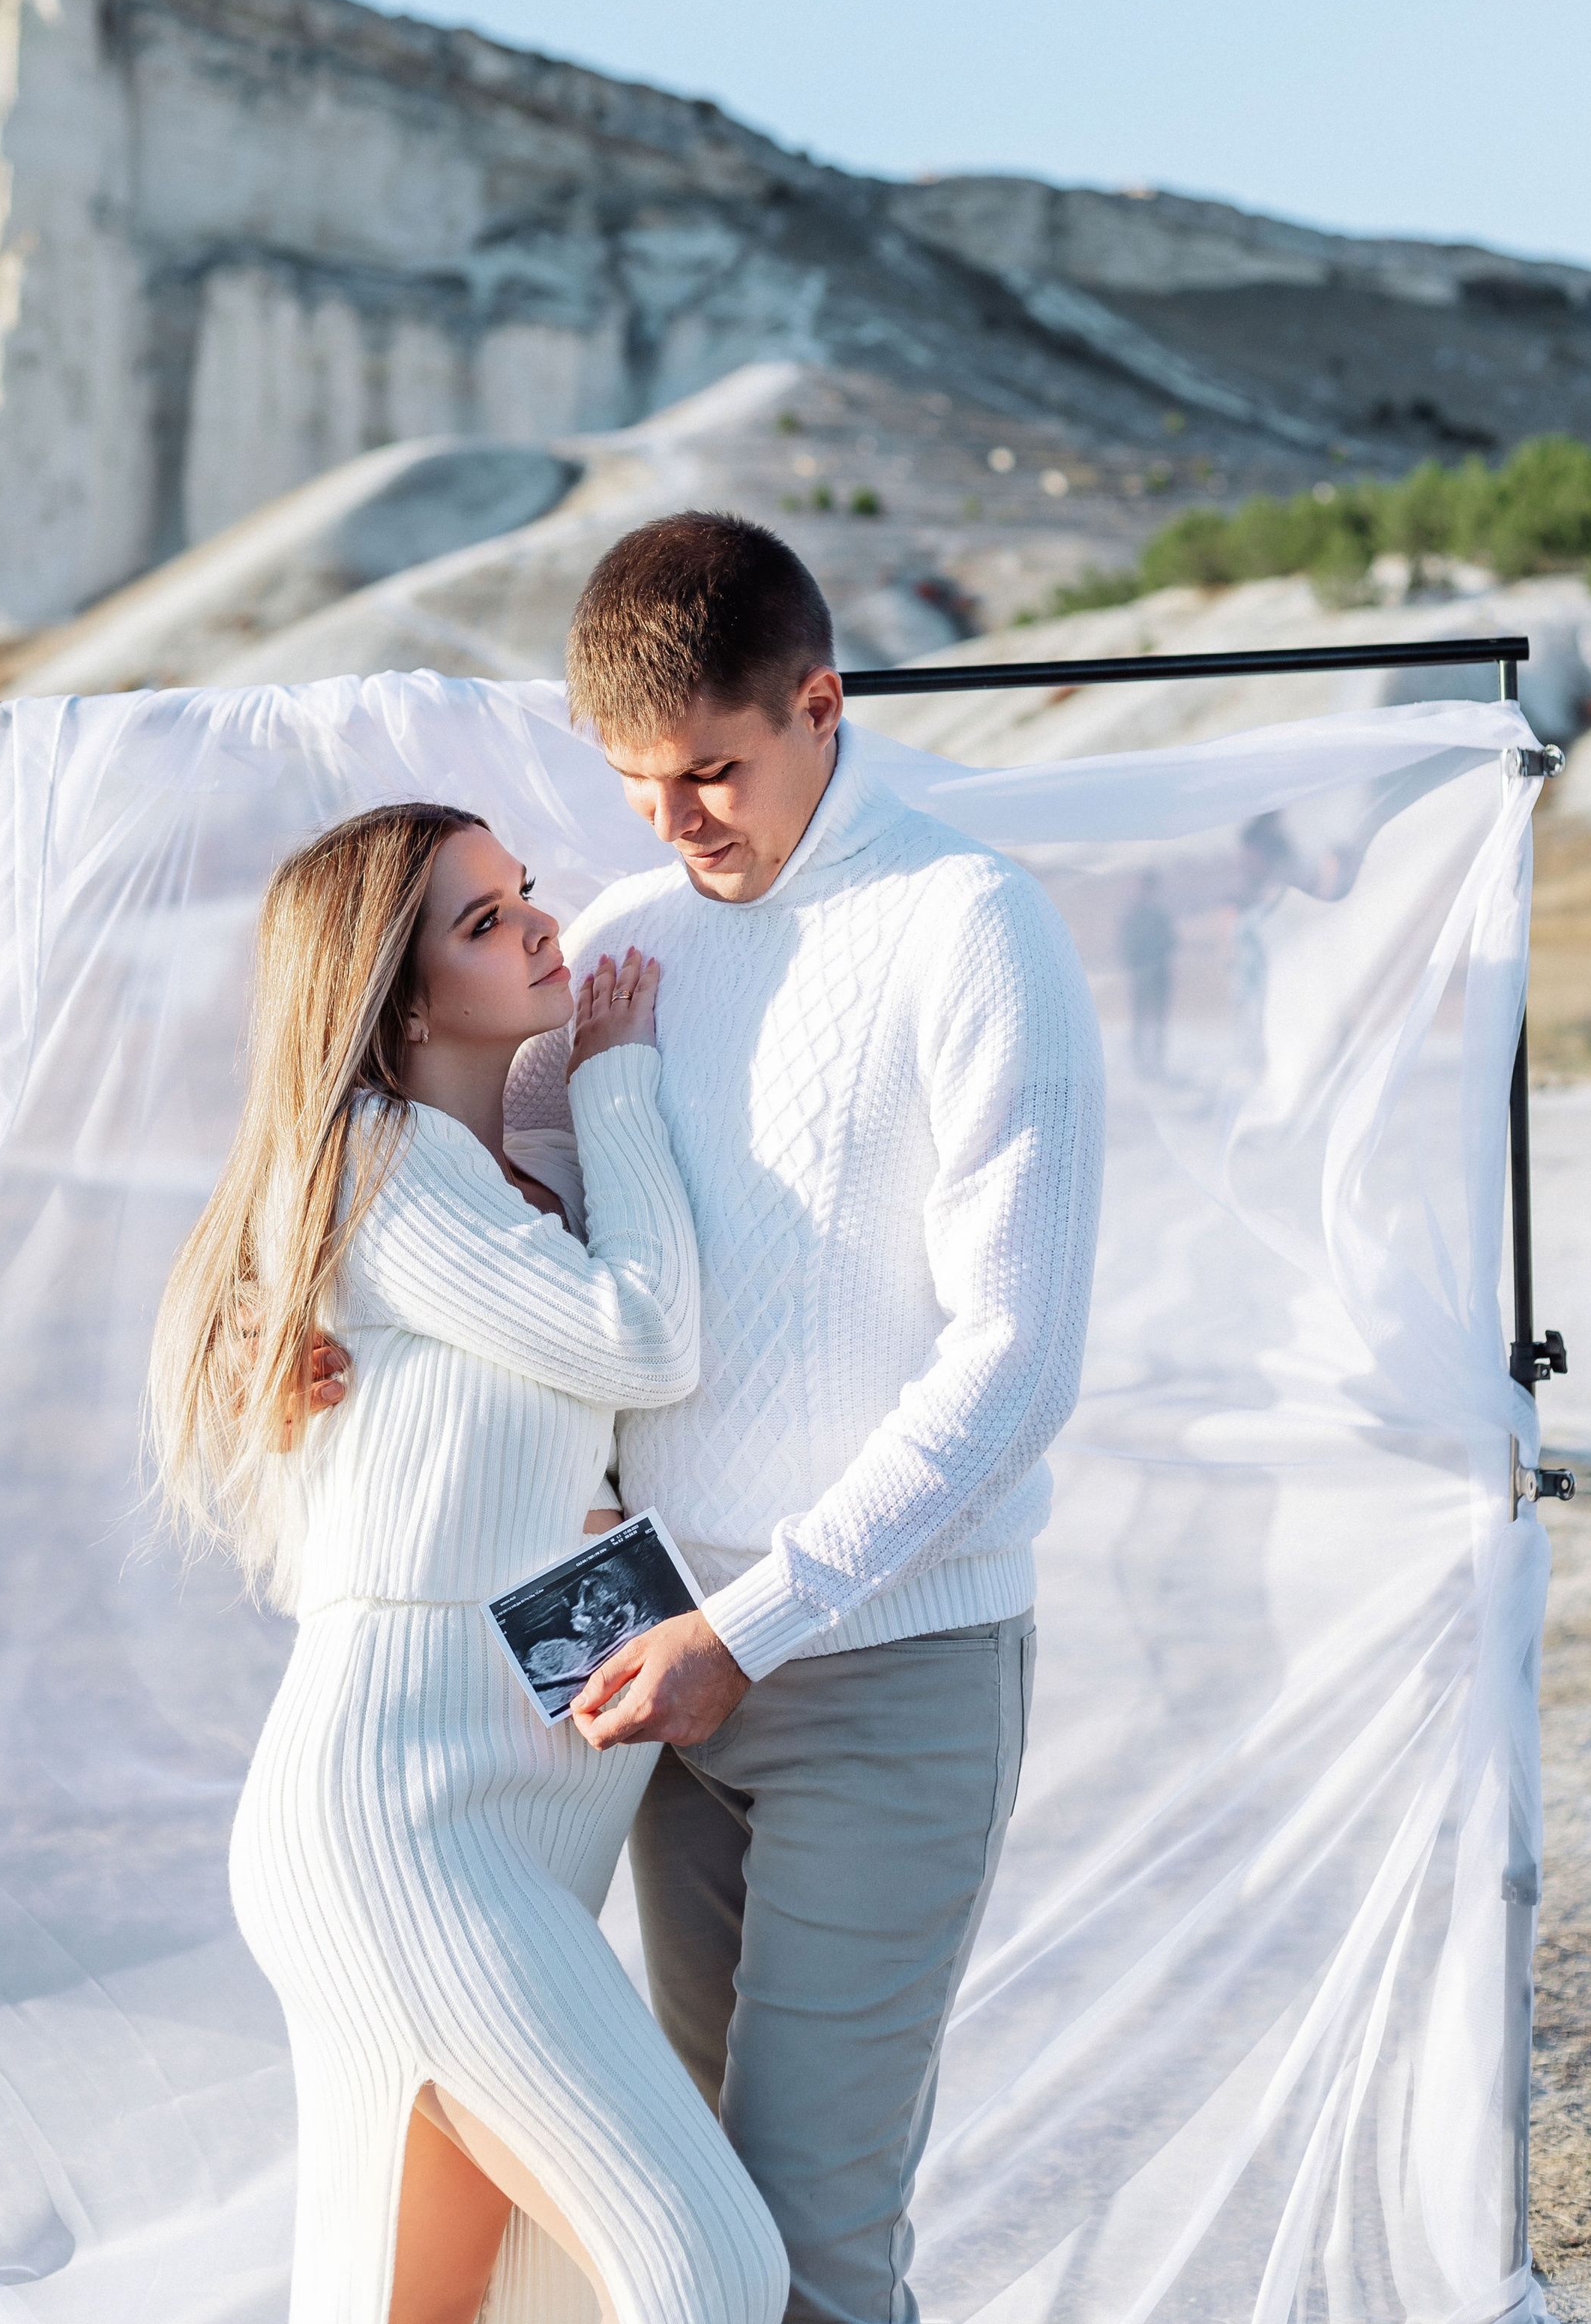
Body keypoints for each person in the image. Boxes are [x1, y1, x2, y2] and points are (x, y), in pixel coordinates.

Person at [505, 512, 1107, 2324]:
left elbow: (1014, 1365)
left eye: (712, 768)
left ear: (820, 702)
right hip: (653, 1661)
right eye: (632, 783)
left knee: (814, 2235)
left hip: (884, 1663)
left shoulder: (968, 923)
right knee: (696, 2223)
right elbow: (536, 1263)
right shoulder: (615, 945)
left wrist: (744, 1628)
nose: (676, 819)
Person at [145, 802, 788, 2324]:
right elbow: (643, 1334)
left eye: (527, 894)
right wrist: (617, 1081)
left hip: (485, 1829)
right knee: (707, 2273)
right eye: (484, 920)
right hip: (405, 1828)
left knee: (451, 2309)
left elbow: (513, 1490)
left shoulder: (494, 1198)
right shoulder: (378, 1155)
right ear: (401, 990)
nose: (541, 927)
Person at [1118, 867, 1176, 1078]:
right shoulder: (1131, 916)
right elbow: (1124, 946)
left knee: (1159, 1022)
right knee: (1140, 1021)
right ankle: (1140, 1064)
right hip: (1140, 977)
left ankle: (1157, 1063)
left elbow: (1171, 942)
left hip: (1160, 975)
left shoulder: (1160, 916)